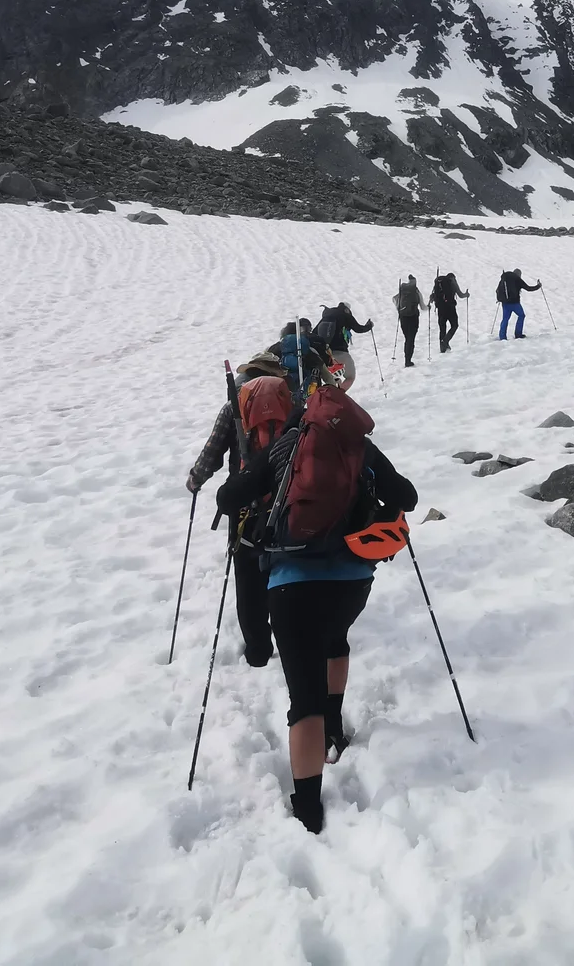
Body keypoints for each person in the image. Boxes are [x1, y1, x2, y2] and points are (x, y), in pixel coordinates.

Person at [215, 388, 419, 834]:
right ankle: (334, 726)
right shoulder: (357, 445)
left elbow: (229, 498)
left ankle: (308, 809)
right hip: (352, 583)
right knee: (335, 639)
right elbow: (408, 495)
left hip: (291, 588)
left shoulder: (284, 446)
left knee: (301, 696)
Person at [185, 357, 291, 668]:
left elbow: (213, 453)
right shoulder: (292, 400)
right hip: (287, 503)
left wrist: (196, 479)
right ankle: (291, 642)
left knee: (248, 582)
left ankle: (258, 651)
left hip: (244, 507)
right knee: (287, 574)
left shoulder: (234, 407)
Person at [313, 303, 373, 390]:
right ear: (347, 309)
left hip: (325, 356)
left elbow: (314, 334)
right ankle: (338, 396)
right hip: (341, 353)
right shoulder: (345, 315)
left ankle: (331, 392)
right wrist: (369, 325)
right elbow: (359, 329)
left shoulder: (326, 318)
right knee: (350, 377)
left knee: (333, 378)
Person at [429, 271, 470, 352]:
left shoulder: (438, 283)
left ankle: (442, 348)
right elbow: (460, 295)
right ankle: (446, 341)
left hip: (440, 308)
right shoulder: (452, 281)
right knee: (454, 325)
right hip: (450, 307)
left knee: (442, 327)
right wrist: (467, 294)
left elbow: (433, 296)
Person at [496, 268, 541, 339]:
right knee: (521, 315)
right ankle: (518, 334)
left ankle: (502, 336)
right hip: (514, 303)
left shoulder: (505, 278)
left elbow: (498, 290)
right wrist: (538, 286)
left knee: (505, 319)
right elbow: (529, 288)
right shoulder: (517, 279)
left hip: (505, 303)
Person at [393, 275, 423, 367]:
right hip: (413, 318)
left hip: (403, 317)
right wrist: (428, 307)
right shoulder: (416, 292)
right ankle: (408, 360)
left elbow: (394, 299)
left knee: (407, 338)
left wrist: (399, 308)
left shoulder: (402, 291)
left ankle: (407, 359)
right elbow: (422, 306)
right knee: (411, 339)